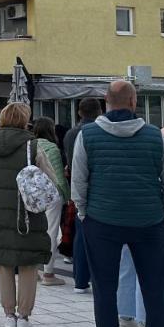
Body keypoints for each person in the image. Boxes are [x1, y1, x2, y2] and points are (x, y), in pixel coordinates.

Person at [72, 80, 164, 327]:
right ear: (134, 102)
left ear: (106, 101)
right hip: (149, 222)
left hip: (101, 220)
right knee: (155, 289)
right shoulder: (154, 137)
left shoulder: (88, 134)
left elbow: (79, 181)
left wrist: (85, 213)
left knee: (105, 289)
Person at [0, 102, 53, 327]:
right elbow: (47, 178)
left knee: (3, 263)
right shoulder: (33, 146)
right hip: (28, 213)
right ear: (24, 119)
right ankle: (24, 317)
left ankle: (9, 315)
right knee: (29, 264)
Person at [64, 97, 102, 294]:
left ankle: (80, 280)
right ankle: (98, 279)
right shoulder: (101, 132)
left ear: (79, 112)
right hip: (97, 189)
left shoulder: (70, 134)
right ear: (99, 112)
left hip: (75, 187)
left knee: (79, 234)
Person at [33, 117, 68, 286]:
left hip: (33, 194)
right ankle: (48, 273)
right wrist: (66, 194)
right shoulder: (52, 147)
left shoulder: (30, 145)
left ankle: (35, 270)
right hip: (52, 194)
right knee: (51, 232)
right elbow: (58, 176)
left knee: (35, 232)